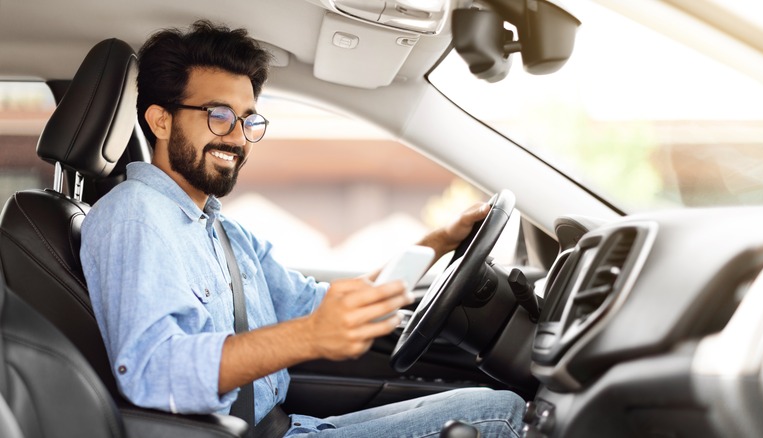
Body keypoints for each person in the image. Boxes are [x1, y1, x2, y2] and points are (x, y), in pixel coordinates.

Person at [80, 20, 525, 437]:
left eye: (248, 120)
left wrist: (440, 241)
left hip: (288, 425)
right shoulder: (135, 216)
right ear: (161, 121)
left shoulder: (220, 228)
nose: (237, 137)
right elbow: (152, 370)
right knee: (500, 414)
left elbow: (317, 306)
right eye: (219, 115)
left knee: (487, 403)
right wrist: (308, 337)